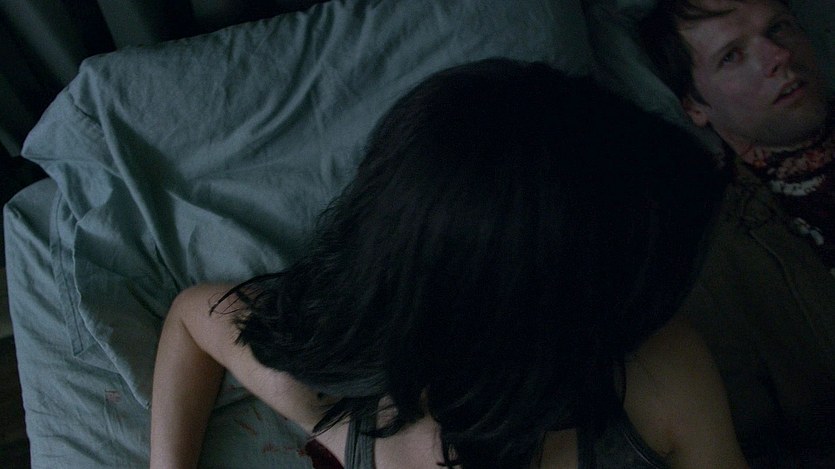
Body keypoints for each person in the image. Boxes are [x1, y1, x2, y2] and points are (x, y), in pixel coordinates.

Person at [150, 59, 746, 468]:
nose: (644, 315)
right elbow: (194, 319)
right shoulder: (332, 400)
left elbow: (194, 316)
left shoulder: (661, 378)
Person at [639, 0, 835, 464]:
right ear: (694, 106)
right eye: (732, 56)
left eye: (779, 28)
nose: (779, 55)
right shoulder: (712, 255)